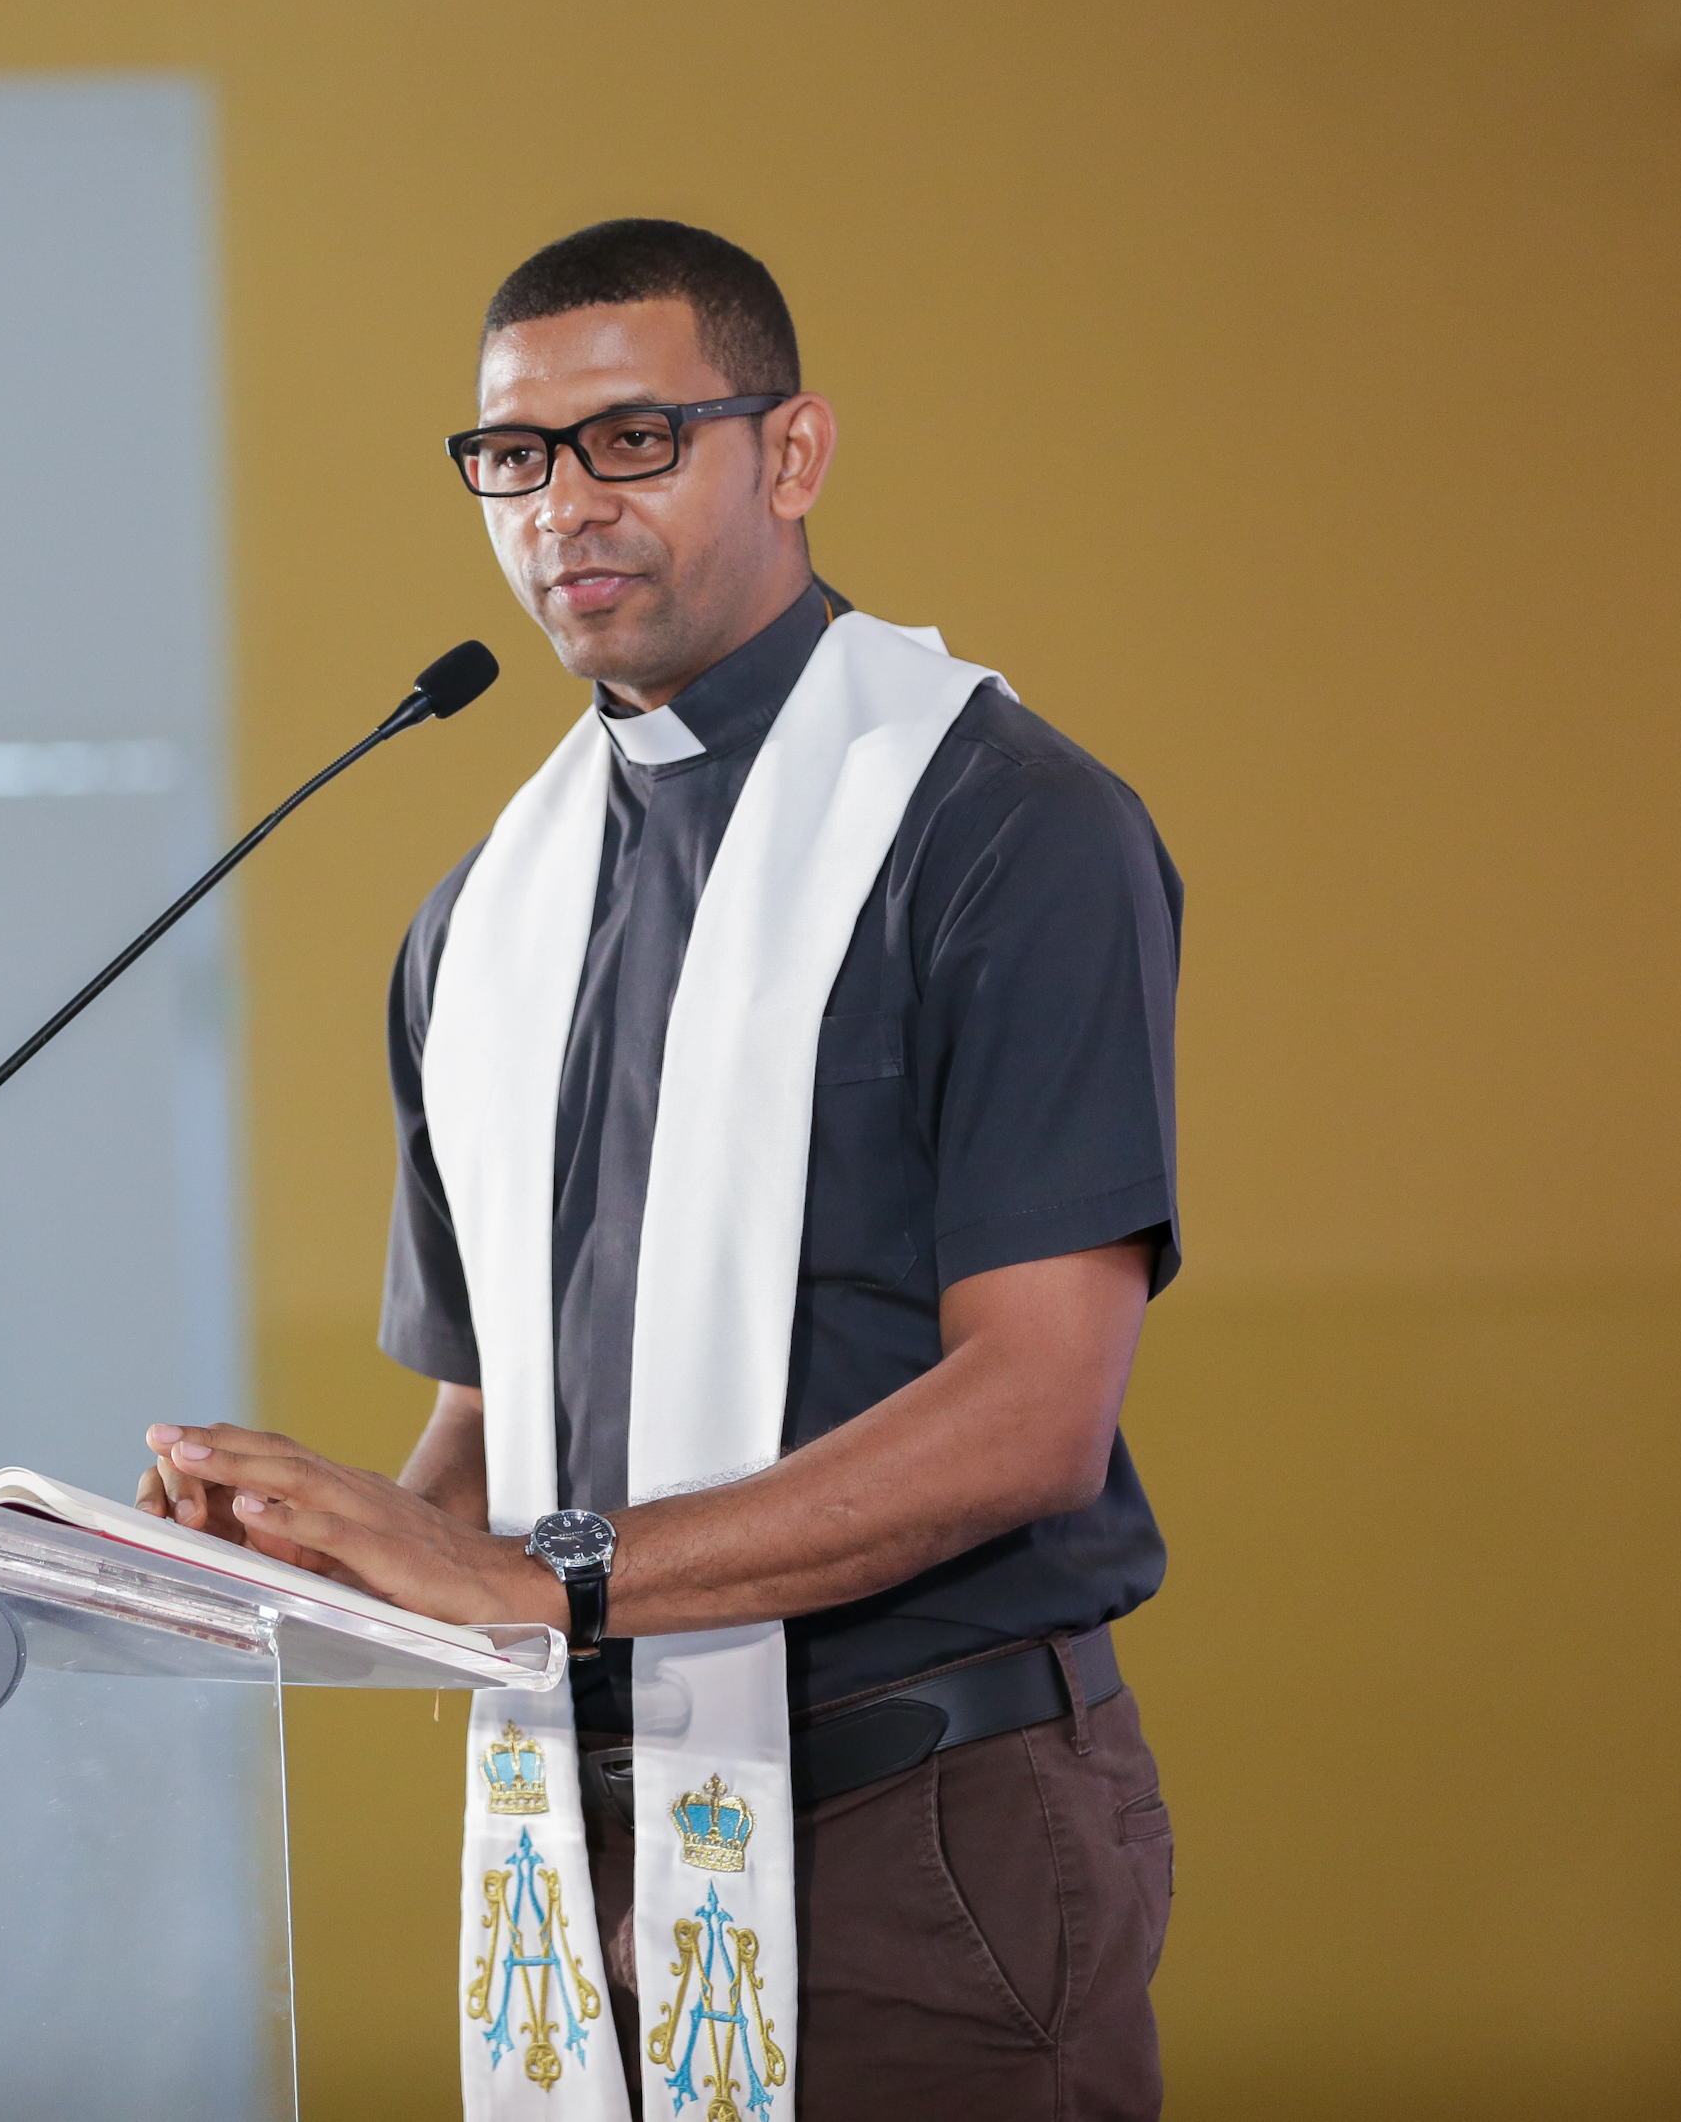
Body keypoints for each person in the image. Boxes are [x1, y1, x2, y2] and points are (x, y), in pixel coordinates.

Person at [140, 220, 1180, 2119]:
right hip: (578, 1840)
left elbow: (1039, 1409)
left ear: (792, 452)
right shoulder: (480, 919)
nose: (562, 505)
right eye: (512, 455)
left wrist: (539, 1575)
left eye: (632, 437)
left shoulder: (998, 828)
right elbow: (492, 1425)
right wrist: (297, 1552)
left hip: (912, 1823)